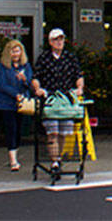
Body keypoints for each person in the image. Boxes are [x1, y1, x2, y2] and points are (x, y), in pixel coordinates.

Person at [31, 28, 84, 176]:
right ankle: (54, 161)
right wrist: (38, 88)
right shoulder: (44, 58)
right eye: (56, 39)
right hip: (50, 99)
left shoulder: (70, 57)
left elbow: (78, 74)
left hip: (66, 99)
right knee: (52, 131)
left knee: (63, 132)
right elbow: (36, 77)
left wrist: (79, 87)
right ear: (50, 42)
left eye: (61, 39)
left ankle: (58, 158)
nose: (59, 42)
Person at [0, 39, 34, 171]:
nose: (16, 54)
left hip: (22, 104)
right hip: (7, 103)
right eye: (13, 51)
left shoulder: (26, 66)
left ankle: (15, 154)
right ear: (8, 53)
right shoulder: (3, 66)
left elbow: (30, 83)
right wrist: (15, 94)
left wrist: (24, 80)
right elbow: (2, 85)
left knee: (18, 130)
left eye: (18, 51)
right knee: (11, 130)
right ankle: (13, 160)